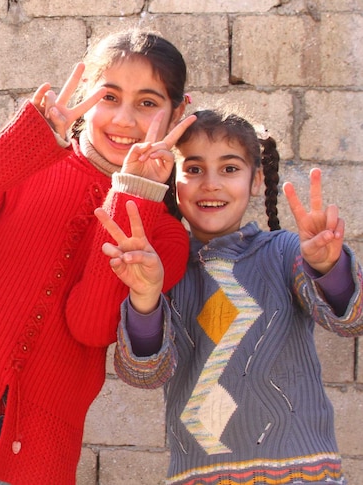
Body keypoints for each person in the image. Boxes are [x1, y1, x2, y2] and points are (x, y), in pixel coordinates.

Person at [0, 29, 196, 484]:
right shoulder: (31, 158)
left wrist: (132, 193)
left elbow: (89, 325)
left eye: (148, 103)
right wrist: (23, 141)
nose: (125, 119)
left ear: (178, 113)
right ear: (86, 95)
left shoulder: (163, 234)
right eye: (109, 96)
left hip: (40, 449)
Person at [99, 108, 363, 484]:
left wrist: (329, 267)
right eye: (192, 169)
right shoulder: (163, 271)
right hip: (200, 474)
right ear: (173, 182)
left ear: (256, 180)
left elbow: (351, 319)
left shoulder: (286, 252)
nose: (210, 183)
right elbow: (144, 374)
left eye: (229, 168)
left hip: (301, 474)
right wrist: (145, 297)